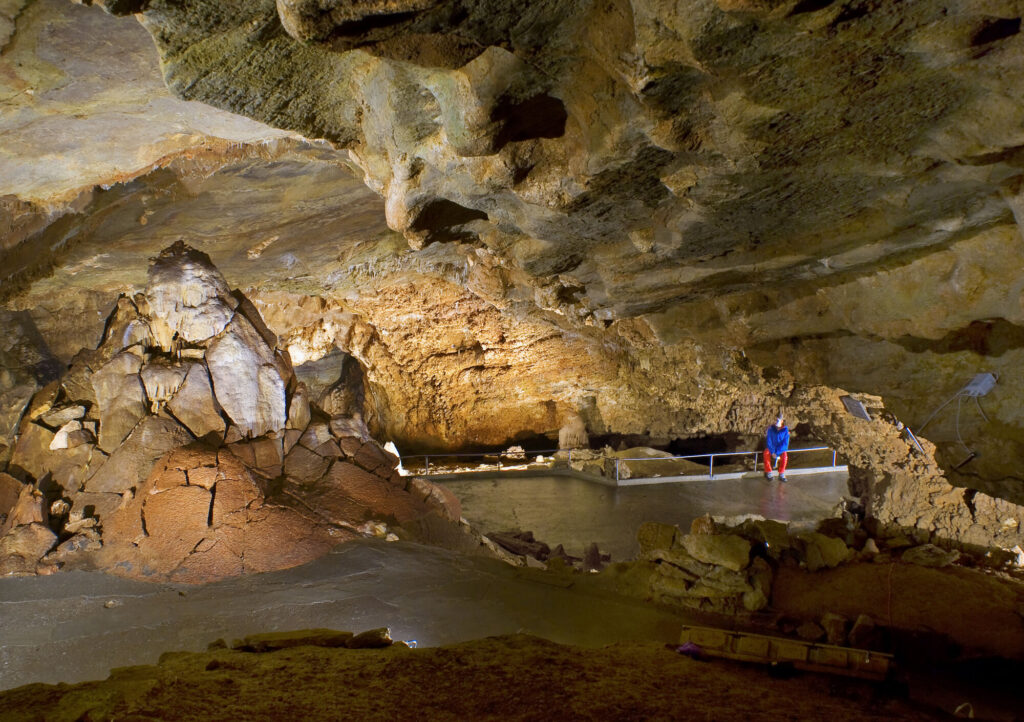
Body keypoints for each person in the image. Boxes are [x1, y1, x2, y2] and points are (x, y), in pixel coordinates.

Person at [764, 414, 790, 482]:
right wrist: (772, 452)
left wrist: (777, 452)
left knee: (784, 456)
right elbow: (769, 441)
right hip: (772, 448)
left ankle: (781, 473)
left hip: (780, 449)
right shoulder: (771, 429)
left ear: (782, 421)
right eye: (776, 420)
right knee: (766, 453)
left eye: (778, 420)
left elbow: (785, 444)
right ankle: (768, 471)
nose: (777, 421)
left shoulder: (785, 431)